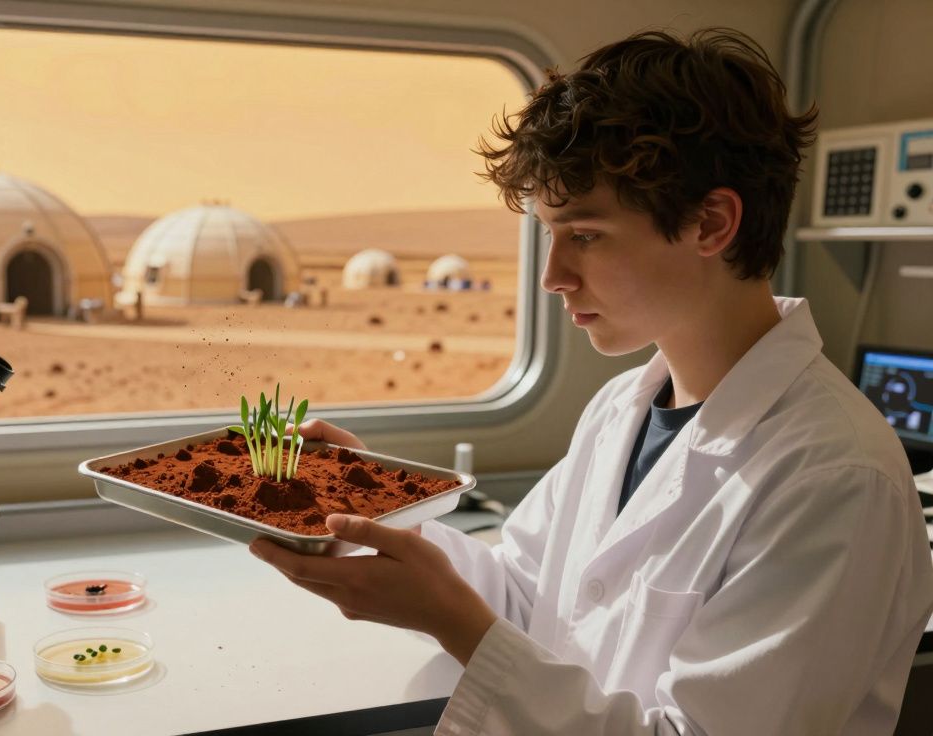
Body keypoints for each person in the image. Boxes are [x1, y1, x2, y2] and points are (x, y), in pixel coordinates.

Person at [249, 27, 933, 735]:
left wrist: (455, 625)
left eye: (585, 235)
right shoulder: (620, 410)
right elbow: (527, 598)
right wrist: (375, 510)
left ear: (711, 223)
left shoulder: (835, 478)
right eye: (550, 234)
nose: (553, 276)